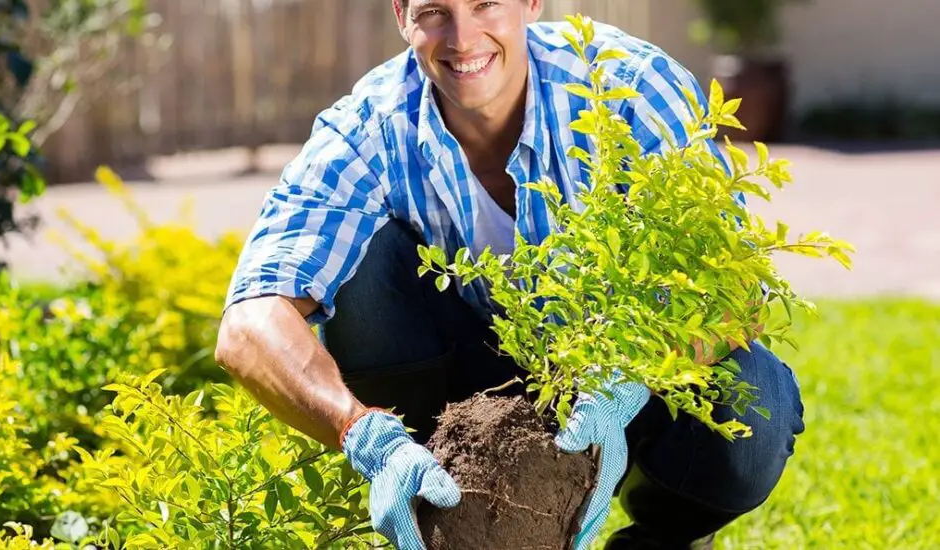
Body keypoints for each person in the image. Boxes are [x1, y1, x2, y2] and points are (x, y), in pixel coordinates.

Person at [214, 1, 806, 548]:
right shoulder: (370, 127)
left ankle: (664, 536)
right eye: (434, 12)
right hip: (457, 400)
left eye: (484, 3)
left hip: (620, 380)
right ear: (401, 15)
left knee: (755, 401)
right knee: (359, 264)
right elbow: (249, 322)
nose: (463, 37)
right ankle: (443, 508)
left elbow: (731, 283)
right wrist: (362, 433)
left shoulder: (626, 87)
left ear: (530, 0)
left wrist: (627, 381)